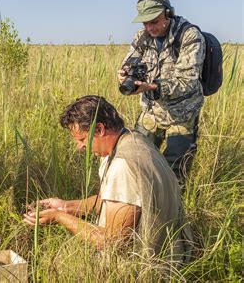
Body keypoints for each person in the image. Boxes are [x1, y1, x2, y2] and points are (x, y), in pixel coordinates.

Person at [23, 95, 192, 262]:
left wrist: (58, 217)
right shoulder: (133, 139)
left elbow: (112, 242)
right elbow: (110, 200)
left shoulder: (123, 166)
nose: (80, 147)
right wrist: (65, 207)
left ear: (99, 129)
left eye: (82, 139)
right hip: (171, 252)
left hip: (147, 267)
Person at [117, 0, 205, 182]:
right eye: (145, 23)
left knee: (175, 172)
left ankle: (174, 210)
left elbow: (187, 81)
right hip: (151, 112)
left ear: (168, 14)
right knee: (137, 161)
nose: (150, 27)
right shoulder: (143, 36)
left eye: (154, 21)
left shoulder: (189, 36)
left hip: (182, 114)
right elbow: (129, 61)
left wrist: (153, 87)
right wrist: (125, 74)